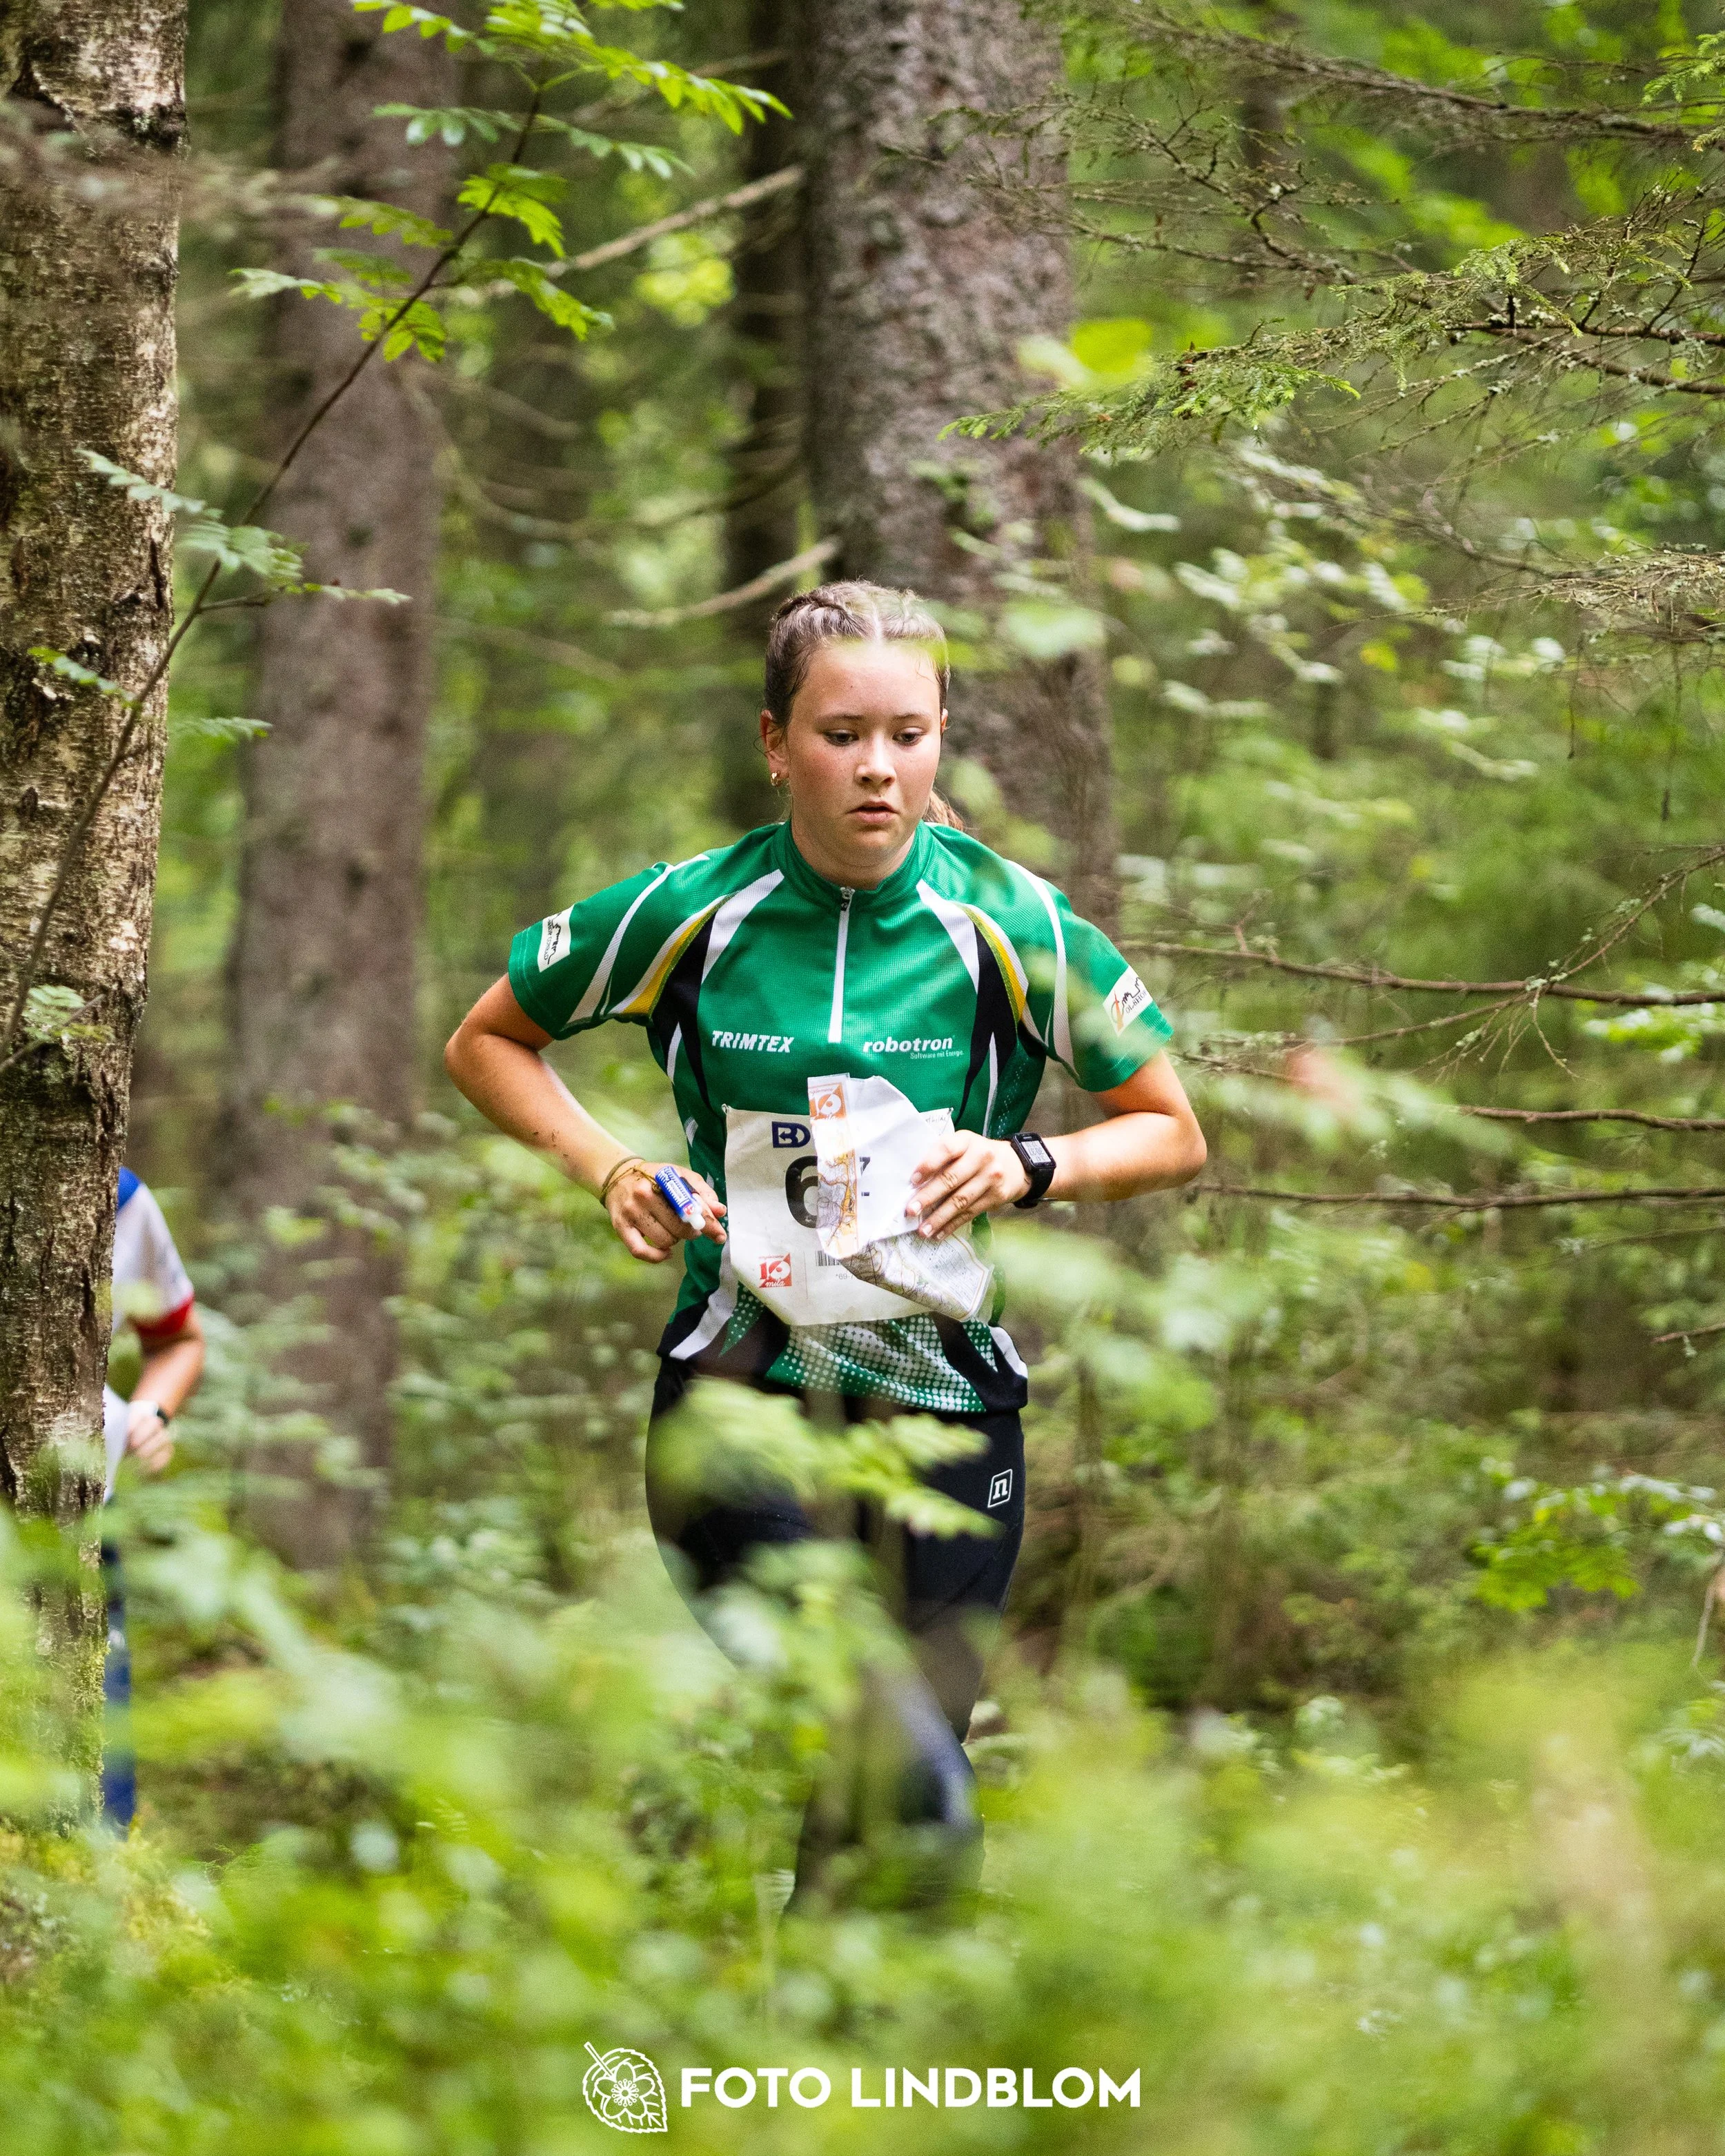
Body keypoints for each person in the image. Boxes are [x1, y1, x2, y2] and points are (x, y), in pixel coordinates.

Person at [444, 581, 1205, 1901]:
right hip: (741, 1403)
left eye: (908, 734)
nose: (877, 767)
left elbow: (1171, 1130)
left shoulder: (1007, 920)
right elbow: (488, 1039)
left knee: (892, 1801)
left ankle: (839, 2090)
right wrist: (611, 1164)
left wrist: (1031, 1163)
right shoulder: (692, 909)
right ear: (776, 742)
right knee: (906, 1770)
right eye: (844, 733)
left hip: (951, 1413)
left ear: (941, 738)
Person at [101, 1167, 206, 1828]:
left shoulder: (121, 1198)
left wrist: (152, 1412)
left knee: (95, 1767)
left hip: (76, 1514)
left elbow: (180, 1340)